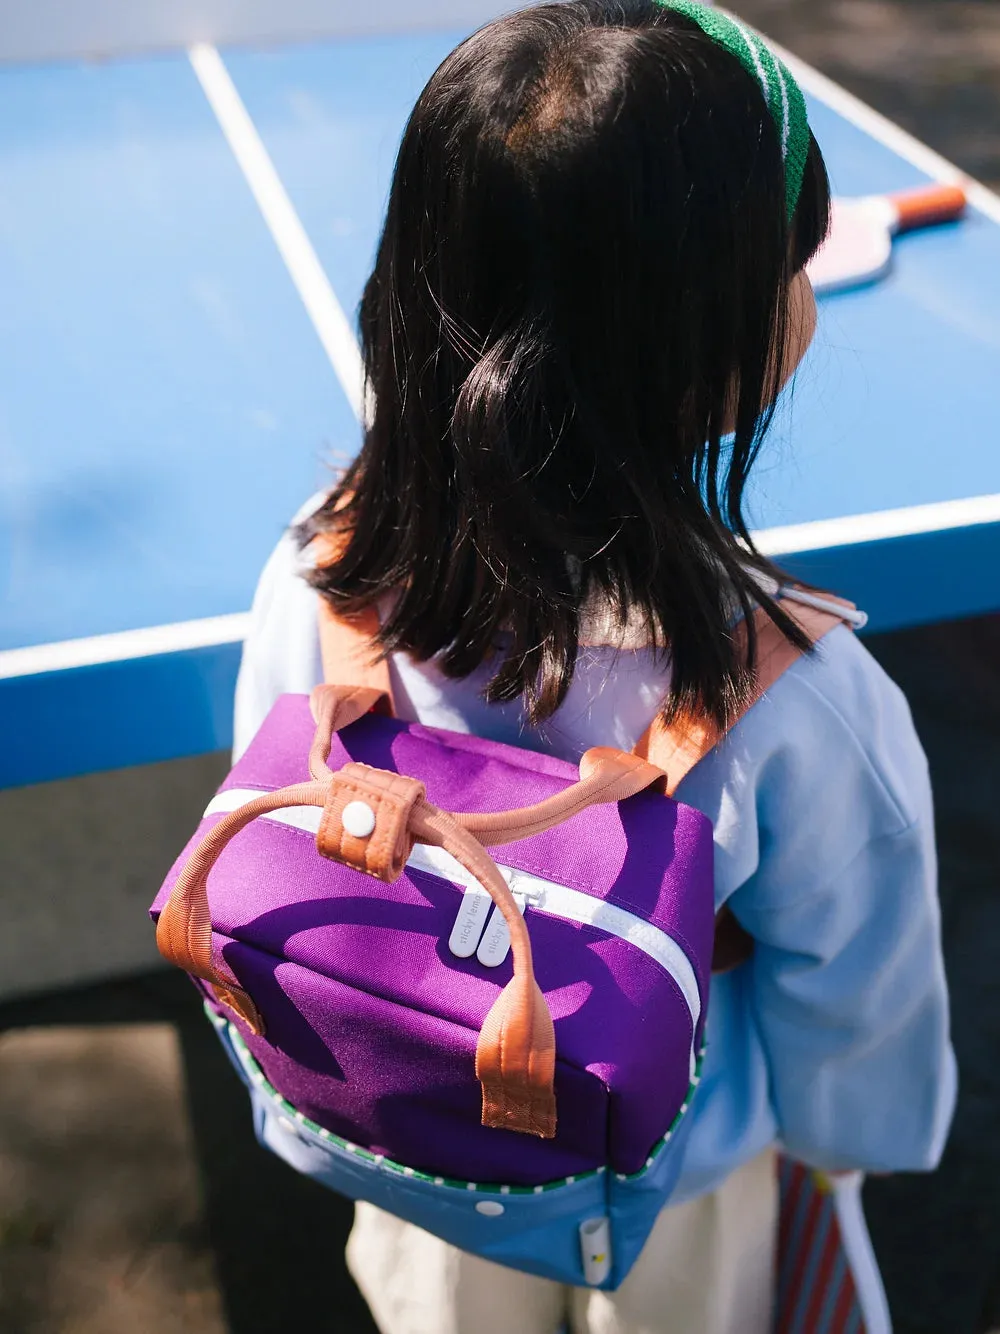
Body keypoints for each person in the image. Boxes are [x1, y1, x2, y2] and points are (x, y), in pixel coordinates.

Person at [233, 3, 956, 1331]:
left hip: (418, 1156)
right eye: (786, 266)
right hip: (680, 1189)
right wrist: (853, 1148)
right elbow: (860, 1002)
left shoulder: (318, 571)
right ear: (714, 365)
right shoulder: (806, 700)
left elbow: (270, 803)